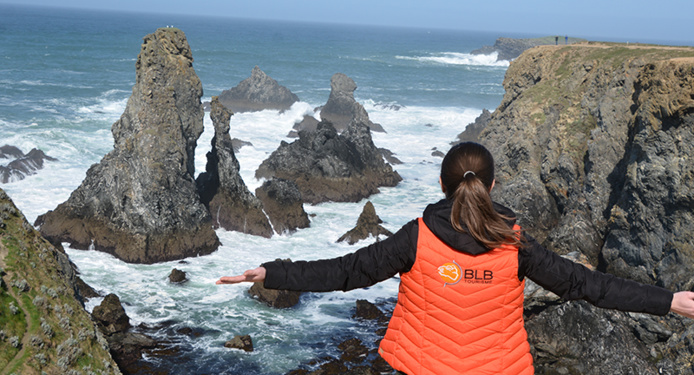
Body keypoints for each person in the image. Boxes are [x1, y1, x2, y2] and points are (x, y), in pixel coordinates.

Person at [217, 142, 694, 375]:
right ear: (490, 187)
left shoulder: (417, 238)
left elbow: (346, 272)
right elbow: (589, 285)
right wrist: (669, 301)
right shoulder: (516, 246)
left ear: (443, 186)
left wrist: (273, 271)